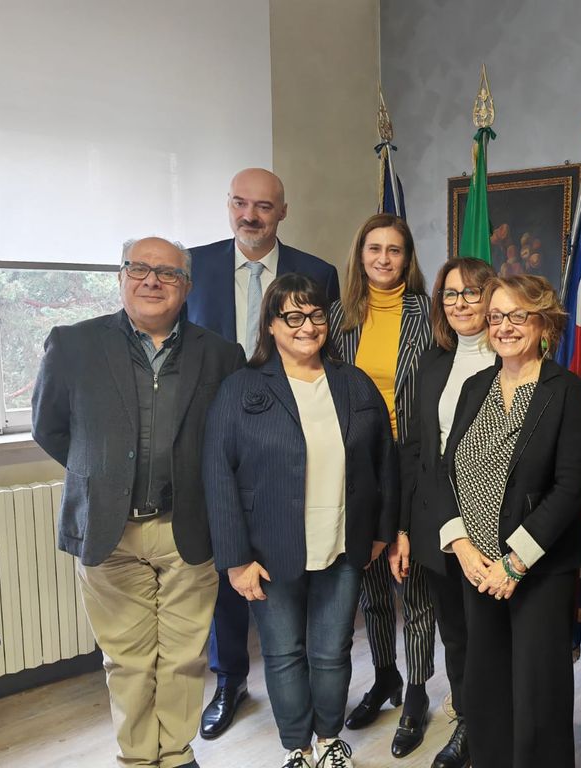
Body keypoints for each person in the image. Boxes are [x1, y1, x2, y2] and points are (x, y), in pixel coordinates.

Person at [32, 237, 245, 768]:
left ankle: (175, 754)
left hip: (187, 528)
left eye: (168, 273)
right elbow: (50, 428)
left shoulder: (222, 355)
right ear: (121, 276)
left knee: (184, 657)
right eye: (140, 268)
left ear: (186, 286)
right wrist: (103, 476)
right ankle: (137, 757)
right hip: (109, 529)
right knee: (126, 661)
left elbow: (229, 440)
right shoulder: (73, 344)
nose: (152, 280)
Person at [203, 273, 398, 768]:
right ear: (270, 325)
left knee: (332, 652)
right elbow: (218, 474)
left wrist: (379, 532)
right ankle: (298, 747)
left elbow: (385, 461)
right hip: (268, 552)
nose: (307, 326)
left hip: (341, 545)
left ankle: (329, 740)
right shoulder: (241, 387)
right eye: (292, 316)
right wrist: (235, 559)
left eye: (315, 315)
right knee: (284, 653)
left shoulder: (354, 383)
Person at [187, 167, 341, 739]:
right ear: (228, 205)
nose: (250, 215)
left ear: (283, 211)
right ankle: (229, 679)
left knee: (296, 564)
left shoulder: (317, 273)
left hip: (292, 432)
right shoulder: (192, 265)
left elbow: (326, 350)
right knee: (231, 558)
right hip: (218, 428)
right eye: (240, 203)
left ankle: (308, 689)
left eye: (263, 206)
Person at [438, 274, 581, 768]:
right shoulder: (475, 387)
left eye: (517, 316)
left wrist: (515, 563)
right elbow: (448, 469)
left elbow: (570, 487)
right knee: (485, 689)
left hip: (537, 571)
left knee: (537, 696)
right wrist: (462, 547)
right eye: (496, 317)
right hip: (477, 569)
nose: (504, 326)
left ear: (543, 323)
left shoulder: (565, 390)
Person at [328, 213, 436, 758]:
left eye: (395, 250)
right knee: (368, 576)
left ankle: (416, 690)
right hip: (358, 463)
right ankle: (386, 674)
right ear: (361, 254)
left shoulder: (428, 314)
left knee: (411, 579)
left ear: (407, 257)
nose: (384, 259)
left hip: (411, 458)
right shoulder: (338, 315)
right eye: (374, 248)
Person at [396, 257, 497, 768]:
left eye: (471, 292)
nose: (460, 303)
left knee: (489, 636)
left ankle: (492, 727)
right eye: (450, 294)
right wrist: (405, 528)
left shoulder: (511, 360)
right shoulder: (433, 364)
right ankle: (468, 725)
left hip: (492, 528)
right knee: (454, 633)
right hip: (437, 523)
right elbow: (417, 450)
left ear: (492, 297)